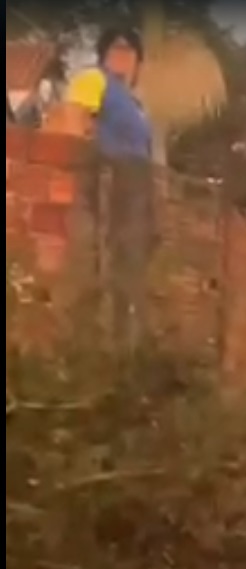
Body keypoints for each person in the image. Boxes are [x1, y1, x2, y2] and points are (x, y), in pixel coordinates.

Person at [54, 27, 155, 339]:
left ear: (139, 62)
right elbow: (72, 123)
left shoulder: (136, 106)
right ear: (103, 54)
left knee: (131, 276)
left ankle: (124, 352)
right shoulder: (94, 80)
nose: (123, 56)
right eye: (116, 48)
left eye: (130, 51)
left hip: (134, 193)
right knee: (101, 267)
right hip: (106, 185)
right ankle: (91, 346)